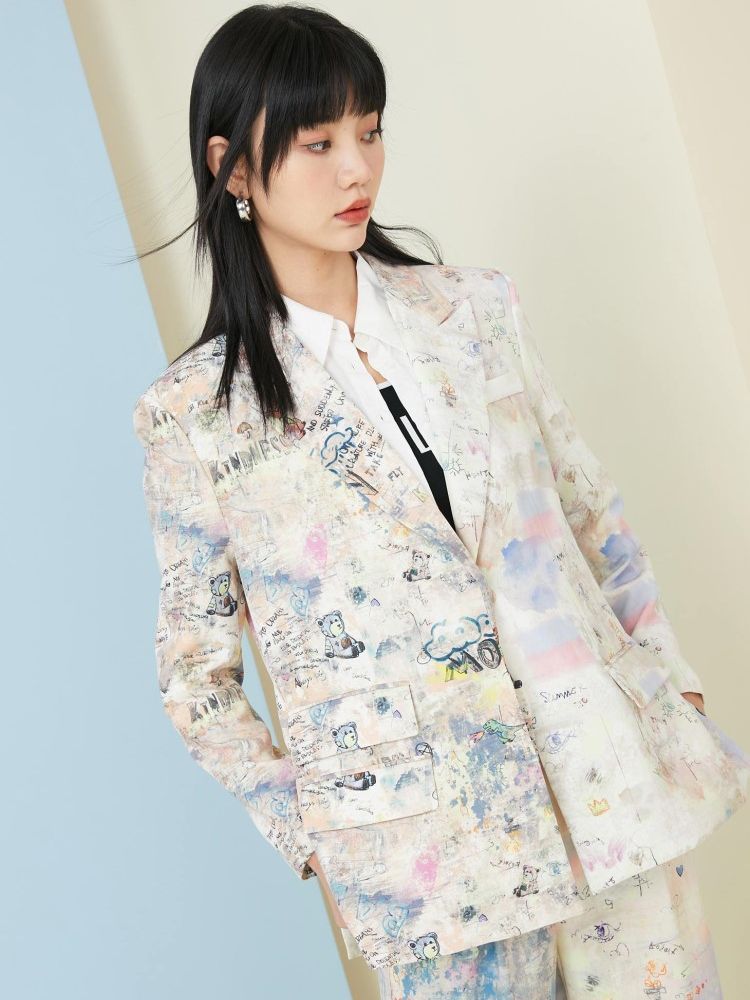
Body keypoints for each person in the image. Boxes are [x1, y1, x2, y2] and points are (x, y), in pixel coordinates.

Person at [132, 5, 750, 997]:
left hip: (613, 788)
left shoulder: (475, 310)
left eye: (370, 131)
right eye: (318, 143)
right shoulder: (198, 416)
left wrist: (671, 684)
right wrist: (324, 832)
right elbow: (194, 679)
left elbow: (593, 516)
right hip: (432, 866)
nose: (358, 170)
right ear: (233, 168)